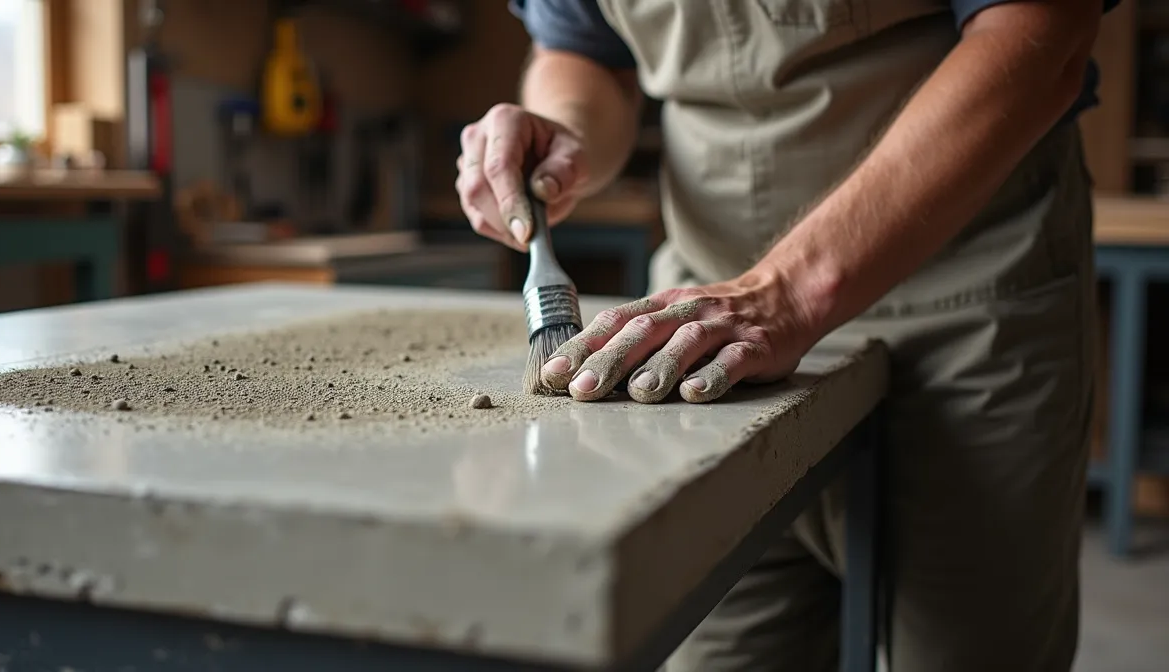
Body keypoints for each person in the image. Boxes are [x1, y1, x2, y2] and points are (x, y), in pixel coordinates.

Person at [453, 0, 1117, 669]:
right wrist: (564, 129)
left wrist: (791, 290)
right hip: (704, 326)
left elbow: (1038, 34)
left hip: (964, 296)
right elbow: (582, 50)